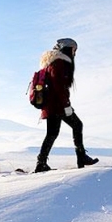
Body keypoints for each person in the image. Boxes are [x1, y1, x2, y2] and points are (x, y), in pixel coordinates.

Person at [35, 38, 99, 173]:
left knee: (52, 133)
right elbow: (59, 87)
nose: (75, 53)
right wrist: (66, 105)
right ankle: (81, 157)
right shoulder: (60, 62)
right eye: (74, 50)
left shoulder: (53, 62)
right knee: (77, 125)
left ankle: (41, 163)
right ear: (68, 49)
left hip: (52, 105)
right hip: (57, 105)